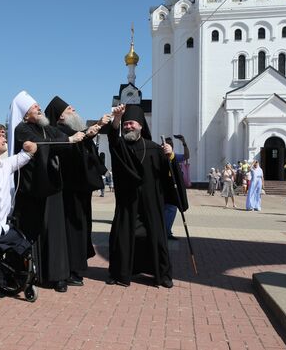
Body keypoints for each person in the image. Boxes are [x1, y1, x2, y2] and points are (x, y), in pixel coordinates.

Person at [9, 91, 84, 293]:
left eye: (38, 105)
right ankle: (30, 273)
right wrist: (68, 141)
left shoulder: (46, 128)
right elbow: (42, 146)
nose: (39, 108)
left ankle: (57, 275)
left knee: (55, 232)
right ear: (25, 113)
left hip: (52, 185)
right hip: (32, 189)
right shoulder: (22, 129)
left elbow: (62, 139)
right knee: (32, 232)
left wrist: (84, 134)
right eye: (34, 107)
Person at [106, 104, 175, 288]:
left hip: (151, 201)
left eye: (132, 124)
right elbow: (112, 136)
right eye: (126, 124)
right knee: (122, 237)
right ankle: (118, 272)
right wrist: (117, 118)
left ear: (141, 126)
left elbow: (169, 175)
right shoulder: (120, 147)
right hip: (127, 201)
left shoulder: (154, 148)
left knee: (156, 237)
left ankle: (162, 275)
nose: (128, 127)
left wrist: (170, 156)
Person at [44, 96, 108, 286]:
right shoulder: (57, 133)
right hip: (67, 192)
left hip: (80, 191)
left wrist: (91, 132)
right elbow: (70, 147)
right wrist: (89, 132)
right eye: (69, 109)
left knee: (81, 228)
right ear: (60, 117)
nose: (74, 110)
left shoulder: (73, 131)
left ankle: (76, 267)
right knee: (71, 230)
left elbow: (84, 148)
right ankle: (71, 269)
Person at [162, 136, 188, 240]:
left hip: (173, 190)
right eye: (166, 144)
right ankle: (164, 232)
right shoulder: (159, 155)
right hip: (162, 190)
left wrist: (184, 143)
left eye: (170, 145)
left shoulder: (174, 156)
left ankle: (167, 231)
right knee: (167, 210)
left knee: (171, 210)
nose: (167, 146)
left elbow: (186, 156)